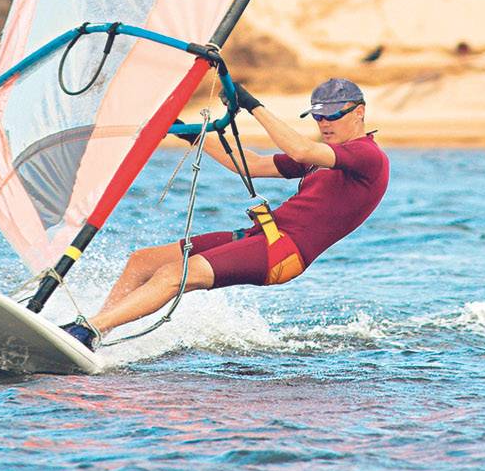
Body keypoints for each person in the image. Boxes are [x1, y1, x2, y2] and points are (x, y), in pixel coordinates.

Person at [61, 76, 389, 349]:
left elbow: (301, 149)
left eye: (333, 115)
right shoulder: (325, 156)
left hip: (283, 253)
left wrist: (252, 105)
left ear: (359, 112)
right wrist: (185, 130)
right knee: (142, 261)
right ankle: (96, 332)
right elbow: (250, 164)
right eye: (318, 117)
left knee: (174, 275)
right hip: (260, 236)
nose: (325, 123)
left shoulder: (368, 157)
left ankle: (86, 330)